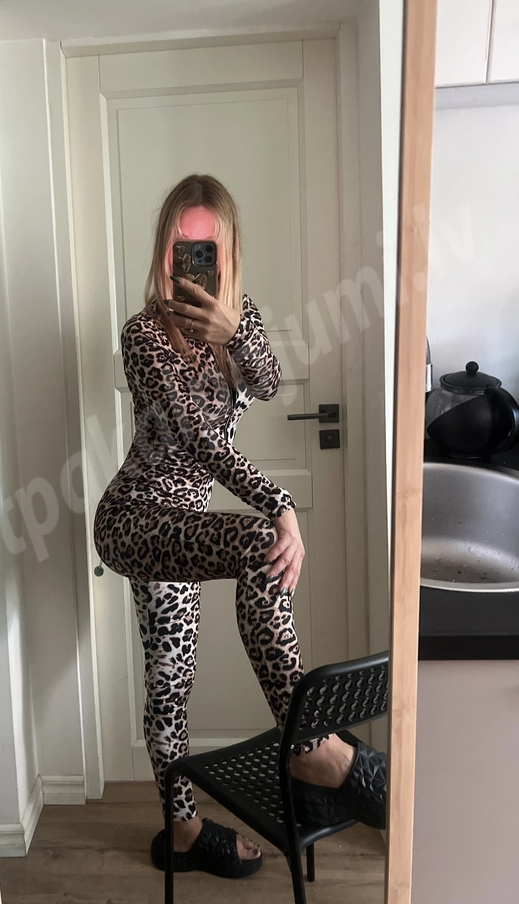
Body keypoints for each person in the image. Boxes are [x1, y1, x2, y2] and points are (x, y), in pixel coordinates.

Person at [93, 174, 386, 880]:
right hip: (135, 518)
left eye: (208, 247)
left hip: (187, 527)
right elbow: (199, 440)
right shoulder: (142, 336)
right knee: (258, 546)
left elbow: (267, 383)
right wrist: (279, 503)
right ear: (164, 249)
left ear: (228, 252)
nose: (192, 260)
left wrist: (238, 332)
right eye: (181, 244)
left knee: (171, 675)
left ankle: (183, 831)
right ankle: (307, 746)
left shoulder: (239, 323)